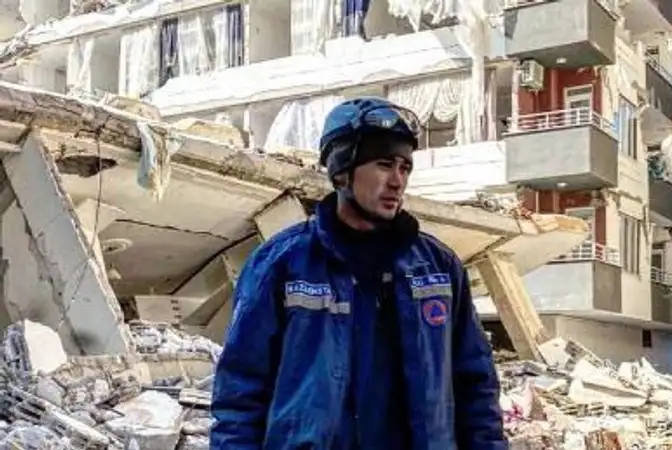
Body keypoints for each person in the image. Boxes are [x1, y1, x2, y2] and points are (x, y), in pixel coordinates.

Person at [210, 97, 507, 449]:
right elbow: (240, 394)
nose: (397, 181)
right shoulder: (282, 264)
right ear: (341, 171)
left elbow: (476, 386)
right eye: (384, 164)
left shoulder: (439, 268)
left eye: (405, 168)